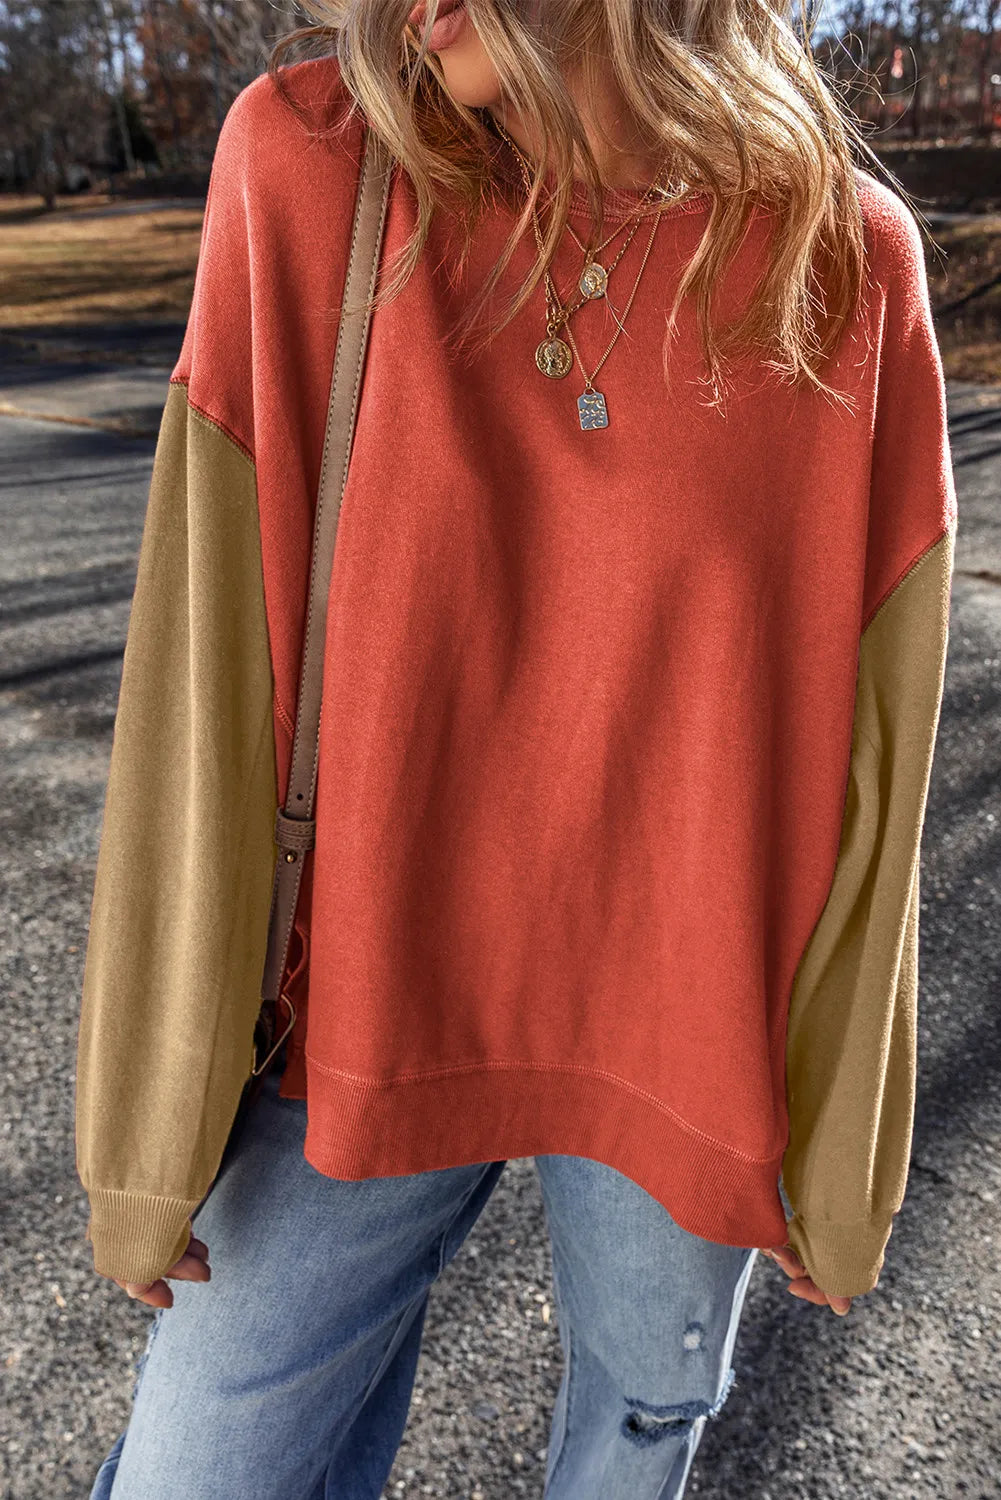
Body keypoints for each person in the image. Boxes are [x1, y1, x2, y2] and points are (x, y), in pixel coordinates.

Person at [76, 1, 957, 1496]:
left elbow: (882, 754)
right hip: (358, 1009)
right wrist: (147, 1119)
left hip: (689, 1043)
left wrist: (842, 1146)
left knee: (634, 1439)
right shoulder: (309, 169)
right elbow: (206, 671)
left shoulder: (843, 264)